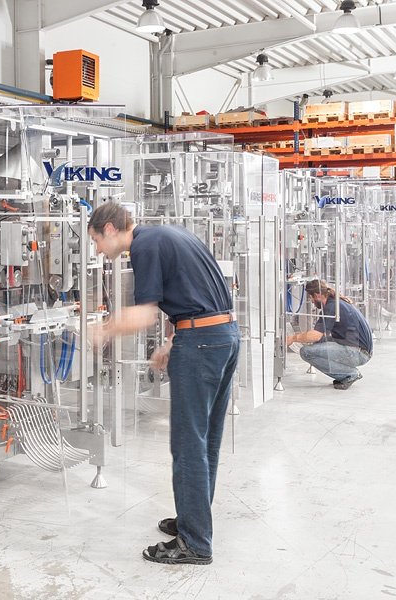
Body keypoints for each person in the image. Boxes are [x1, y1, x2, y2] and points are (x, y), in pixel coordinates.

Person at [87, 202, 239, 566]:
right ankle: (193, 521)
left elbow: (144, 314)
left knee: (188, 444)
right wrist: (172, 341)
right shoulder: (171, 233)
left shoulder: (143, 246)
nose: (96, 251)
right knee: (206, 439)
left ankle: (195, 544)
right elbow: (197, 297)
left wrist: (103, 330)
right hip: (223, 335)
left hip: (202, 344)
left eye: (95, 241)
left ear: (110, 230)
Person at [285, 279, 373, 390]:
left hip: (359, 353)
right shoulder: (335, 302)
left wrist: (293, 338)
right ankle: (345, 373)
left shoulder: (331, 307)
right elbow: (320, 337)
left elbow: (316, 335)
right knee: (319, 342)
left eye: (311, 297)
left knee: (306, 352)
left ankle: (350, 374)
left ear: (317, 295)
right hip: (360, 349)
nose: (311, 301)